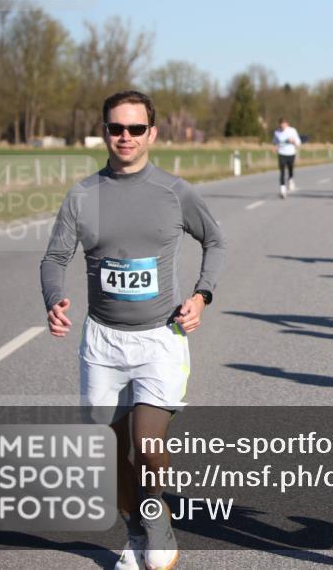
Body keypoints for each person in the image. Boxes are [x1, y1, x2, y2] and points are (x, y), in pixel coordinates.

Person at [40, 90, 226, 569]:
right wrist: (53, 299)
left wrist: (201, 296)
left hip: (159, 339)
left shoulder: (174, 192)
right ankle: (136, 532)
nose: (126, 136)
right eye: (116, 128)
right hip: (103, 342)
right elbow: (55, 257)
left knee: (147, 443)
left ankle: (156, 515)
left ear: (152, 133)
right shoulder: (83, 196)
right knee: (111, 452)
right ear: (104, 132)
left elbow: (215, 241)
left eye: (136, 128)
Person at [272, 116, 302, 199]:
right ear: (279, 125)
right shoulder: (277, 132)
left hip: (291, 153)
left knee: (290, 169)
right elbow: (275, 142)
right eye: (281, 125)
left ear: (287, 124)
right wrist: (275, 147)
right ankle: (282, 190)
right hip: (281, 153)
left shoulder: (292, 131)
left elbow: (298, 142)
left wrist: (293, 141)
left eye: (284, 124)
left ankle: (290, 179)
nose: (283, 126)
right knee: (282, 171)